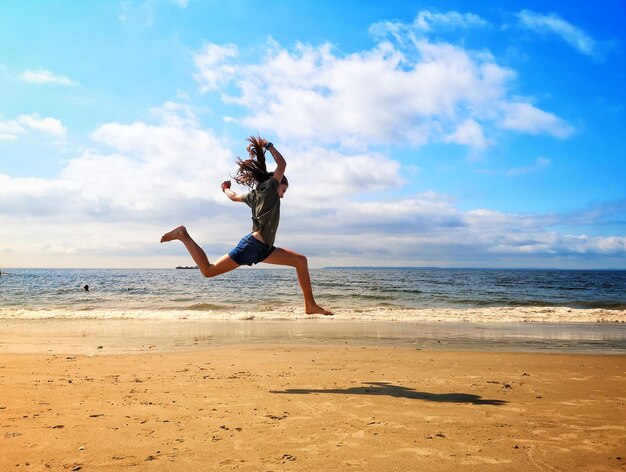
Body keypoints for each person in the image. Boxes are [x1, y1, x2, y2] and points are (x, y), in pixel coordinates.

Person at [160, 136, 333, 316]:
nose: (283, 195)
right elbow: (282, 165)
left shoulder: (253, 195)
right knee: (208, 270)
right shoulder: (270, 188)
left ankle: (310, 306)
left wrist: (225, 188)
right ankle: (183, 235)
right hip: (253, 246)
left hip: (264, 249)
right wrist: (268, 146)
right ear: (278, 184)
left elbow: (234, 197)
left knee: (300, 261)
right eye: (284, 190)